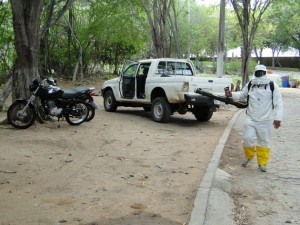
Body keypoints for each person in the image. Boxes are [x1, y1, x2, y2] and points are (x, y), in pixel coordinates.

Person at [225, 64, 283, 172]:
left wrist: (278, 118)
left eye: (262, 73)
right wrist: (230, 94)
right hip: (250, 118)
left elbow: (278, 103)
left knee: (263, 142)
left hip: (265, 120)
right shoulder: (251, 84)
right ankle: (249, 156)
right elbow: (242, 95)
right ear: (255, 73)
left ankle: (262, 163)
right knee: (247, 139)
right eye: (258, 73)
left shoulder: (272, 86)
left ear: (265, 73)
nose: (260, 75)